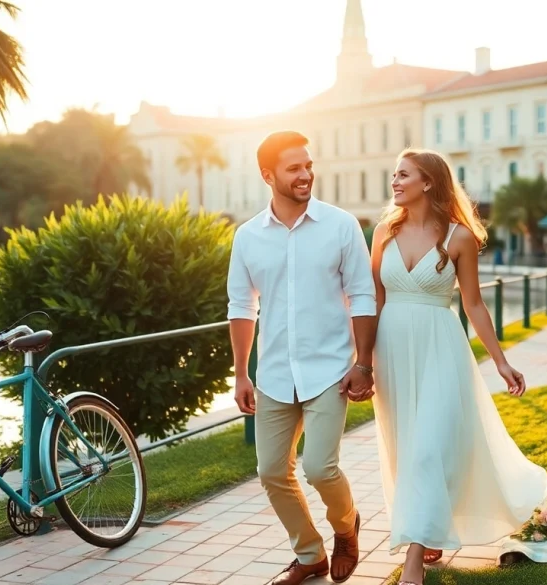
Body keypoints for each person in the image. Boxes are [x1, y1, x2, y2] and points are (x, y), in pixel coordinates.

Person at [368, 148, 547, 585]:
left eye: (403, 175)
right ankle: (428, 526)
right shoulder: (383, 232)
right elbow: (374, 297)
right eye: (394, 175)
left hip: (440, 348)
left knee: (428, 448)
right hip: (391, 349)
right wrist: (362, 360)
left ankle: (414, 561)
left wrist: (501, 362)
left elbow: (473, 304)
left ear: (428, 182)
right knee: (405, 449)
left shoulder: (460, 238)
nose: (395, 182)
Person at [226, 130, 377, 585]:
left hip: (330, 370)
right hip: (274, 373)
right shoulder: (247, 237)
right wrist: (241, 374)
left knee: (319, 468)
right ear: (268, 175)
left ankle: (346, 528)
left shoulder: (341, 225)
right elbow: (241, 306)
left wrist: (364, 363)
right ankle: (310, 554)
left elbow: (363, 294)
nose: (306, 174)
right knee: (272, 471)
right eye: (294, 168)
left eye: (308, 166)